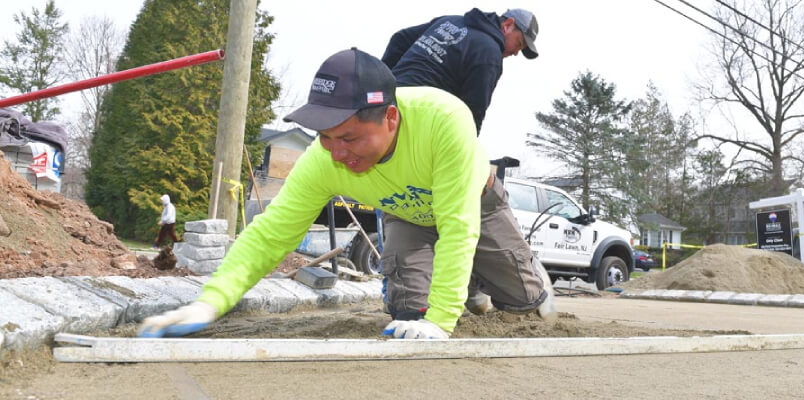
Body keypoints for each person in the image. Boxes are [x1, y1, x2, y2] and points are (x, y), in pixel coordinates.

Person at [137, 48, 555, 340]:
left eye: (350, 138)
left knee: (527, 306)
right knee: (410, 313)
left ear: (390, 118)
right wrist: (209, 302)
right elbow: (271, 234)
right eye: (325, 137)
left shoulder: (444, 120)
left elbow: (458, 226)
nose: (337, 152)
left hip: (474, 208)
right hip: (407, 215)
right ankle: (460, 286)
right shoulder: (325, 158)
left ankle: (502, 276)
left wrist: (442, 323)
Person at [381, 8, 539, 135]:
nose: (516, 52)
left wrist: (383, 84)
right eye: (519, 43)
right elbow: (472, 113)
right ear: (508, 25)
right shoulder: (490, 54)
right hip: (415, 118)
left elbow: (399, 39)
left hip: (384, 104)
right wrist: (467, 152)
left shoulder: (449, 21)